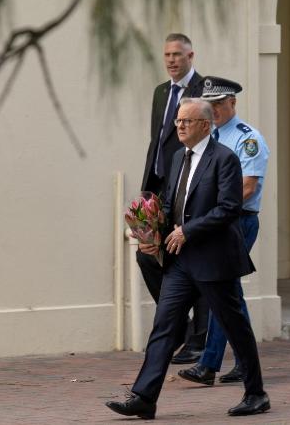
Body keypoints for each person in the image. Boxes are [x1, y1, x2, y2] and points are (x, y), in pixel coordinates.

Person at [106, 99, 270, 419]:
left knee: (234, 327)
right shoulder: (178, 156)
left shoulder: (225, 159)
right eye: (178, 121)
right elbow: (170, 203)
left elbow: (228, 208)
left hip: (214, 259)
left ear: (205, 126)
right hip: (180, 261)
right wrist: (152, 236)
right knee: (165, 326)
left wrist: (187, 231)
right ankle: (144, 397)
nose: (179, 126)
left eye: (186, 121)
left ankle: (256, 393)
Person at [178, 76, 270, 386]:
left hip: (236, 220)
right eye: (209, 105)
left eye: (218, 104)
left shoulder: (247, 138)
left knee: (223, 291)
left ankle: (210, 364)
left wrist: (206, 213)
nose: (213, 110)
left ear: (232, 103)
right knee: (229, 294)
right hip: (213, 222)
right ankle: (239, 361)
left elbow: (247, 186)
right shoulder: (208, 137)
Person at [137, 33, 208, 364]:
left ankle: (199, 340)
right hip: (159, 188)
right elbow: (158, 143)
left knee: (195, 260)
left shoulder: (204, 90)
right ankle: (179, 325)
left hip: (189, 186)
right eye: (166, 55)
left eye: (177, 54)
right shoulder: (160, 92)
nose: (171, 60)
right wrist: (147, 192)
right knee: (148, 256)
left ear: (190, 55)